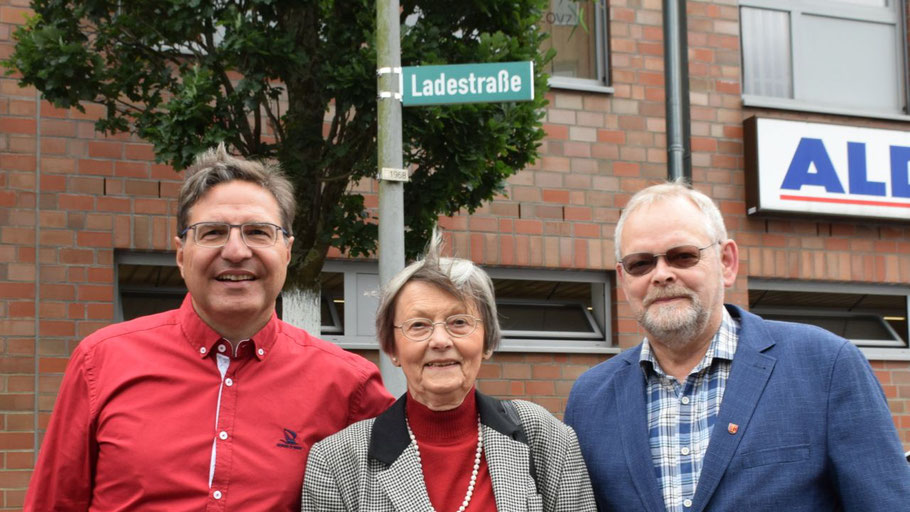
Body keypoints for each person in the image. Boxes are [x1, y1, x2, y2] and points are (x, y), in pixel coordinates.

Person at [24, 145, 394, 511]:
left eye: (258, 232)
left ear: (286, 251)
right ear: (181, 253)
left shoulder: (349, 386)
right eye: (213, 232)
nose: (235, 251)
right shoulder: (100, 362)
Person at [565, 181, 910, 512]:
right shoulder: (590, 398)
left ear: (727, 262)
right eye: (641, 263)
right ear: (623, 278)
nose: (661, 274)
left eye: (682, 256)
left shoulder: (825, 365)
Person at [301, 239, 596, 511]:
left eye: (459, 322)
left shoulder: (544, 437)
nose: (440, 341)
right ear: (392, 349)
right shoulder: (337, 461)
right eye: (418, 325)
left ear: (487, 341)